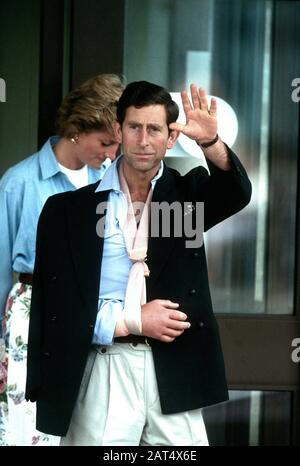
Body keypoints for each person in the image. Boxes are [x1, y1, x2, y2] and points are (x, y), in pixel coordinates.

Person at [25, 80, 252, 446]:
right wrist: (132, 319)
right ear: (118, 129)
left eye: (154, 129)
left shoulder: (186, 200)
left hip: (174, 371)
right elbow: (57, 308)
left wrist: (210, 143)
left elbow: (235, 193)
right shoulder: (68, 211)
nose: (143, 140)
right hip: (103, 364)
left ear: (170, 138)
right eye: (134, 127)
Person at [0, 73, 125, 446]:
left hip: (95, 316)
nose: (111, 154)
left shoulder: (109, 182)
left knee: (92, 428)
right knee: (28, 428)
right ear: (76, 129)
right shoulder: (20, 182)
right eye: (105, 143)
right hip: (32, 314)